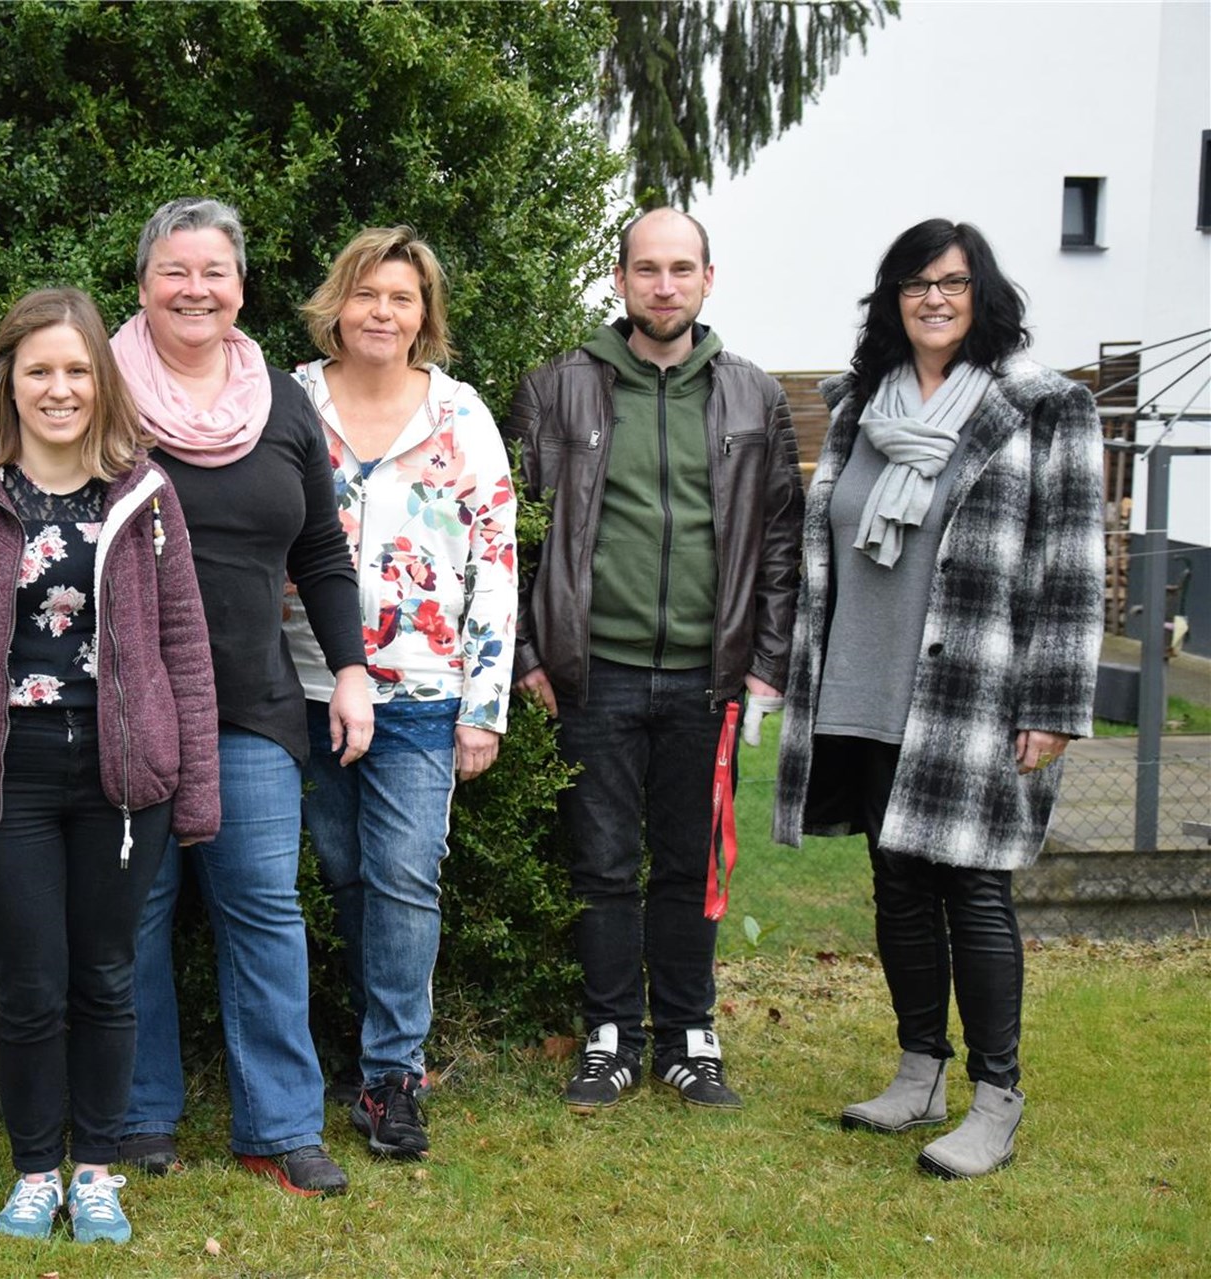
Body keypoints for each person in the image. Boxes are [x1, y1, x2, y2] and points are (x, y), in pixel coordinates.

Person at [773, 219, 1103, 1179]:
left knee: (975, 887)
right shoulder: (857, 410)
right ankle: (919, 1068)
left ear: (982, 295)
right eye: (916, 283)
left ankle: (996, 1098)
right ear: (893, 298)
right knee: (898, 886)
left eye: (953, 283)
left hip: (973, 693)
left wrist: (1051, 702)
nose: (934, 298)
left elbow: (1072, 569)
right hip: (862, 683)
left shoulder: (1041, 410)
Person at [0, 288, 220, 1242]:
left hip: (123, 781)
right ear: (8, 381)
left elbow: (186, 651)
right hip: (6, 778)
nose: (60, 387)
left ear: (102, 383)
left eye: (77, 370)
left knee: (108, 975)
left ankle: (99, 1170)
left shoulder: (147, 498)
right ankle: (36, 1172)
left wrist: (193, 781)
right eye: (39, 369)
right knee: (32, 982)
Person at [510, 207, 802, 1116]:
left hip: (707, 681)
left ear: (708, 279)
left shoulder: (756, 397)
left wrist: (768, 663)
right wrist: (526, 653)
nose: (664, 285)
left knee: (689, 865)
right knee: (601, 863)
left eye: (681, 269)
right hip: (591, 672)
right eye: (647, 269)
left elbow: (783, 540)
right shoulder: (557, 389)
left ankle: (687, 1037)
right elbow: (513, 534)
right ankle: (609, 1039)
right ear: (621, 280)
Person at [113, 197, 372, 1197]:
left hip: (253, 705)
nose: (195, 288)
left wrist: (349, 668)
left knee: (264, 909)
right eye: (175, 270)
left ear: (241, 287)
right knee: (133, 912)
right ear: (143, 284)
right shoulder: (99, 389)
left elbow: (320, 549)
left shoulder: (282, 403)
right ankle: (137, 1113)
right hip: (122, 701)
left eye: (214, 271)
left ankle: (281, 1125)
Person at [283, 226, 518, 1160]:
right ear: (338, 301)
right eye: (368, 293)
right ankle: (361, 1055)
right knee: (344, 876)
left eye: (404, 298)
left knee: (406, 877)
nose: (384, 311)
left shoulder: (460, 417)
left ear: (426, 316)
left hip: (424, 693)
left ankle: (393, 1076)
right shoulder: (288, 403)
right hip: (300, 682)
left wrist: (485, 703)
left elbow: (497, 564)